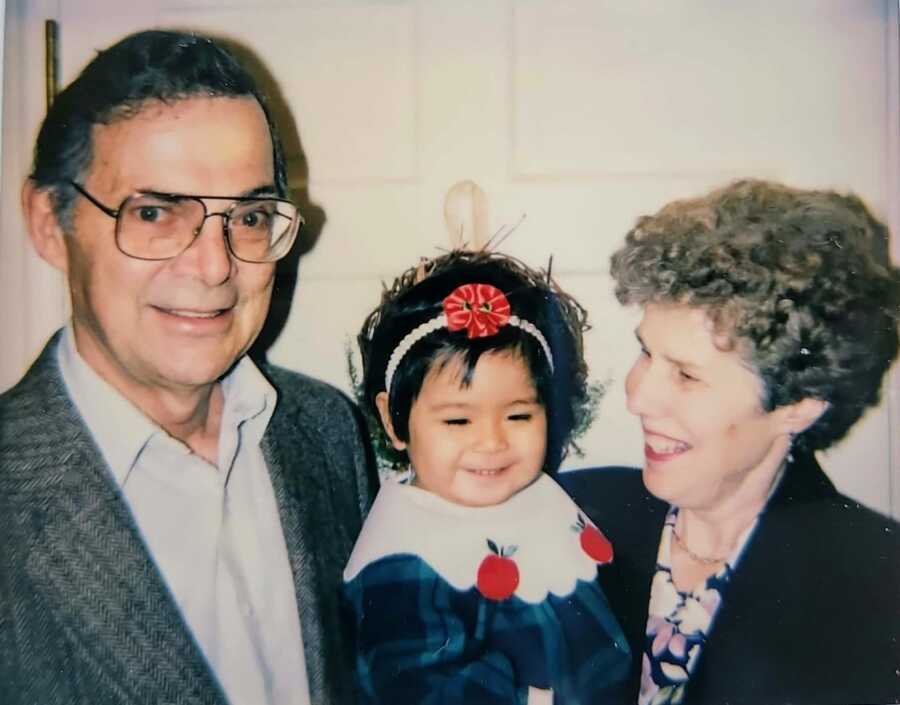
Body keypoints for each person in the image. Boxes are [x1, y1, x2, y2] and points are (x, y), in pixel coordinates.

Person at [0, 30, 375, 705]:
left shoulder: (324, 431)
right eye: (154, 213)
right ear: (50, 224)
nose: (214, 266)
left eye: (251, 215)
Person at [562, 179, 900, 705]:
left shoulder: (877, 581)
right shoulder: (570, 512)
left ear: (798, 404)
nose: (638, 396)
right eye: (647, 353)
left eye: (687, 375)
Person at [344, 250, 631, 704]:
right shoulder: (402, 570)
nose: (492, 442)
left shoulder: (540, 501)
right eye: (458, 421)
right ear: (394, 420)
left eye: (518, 416)